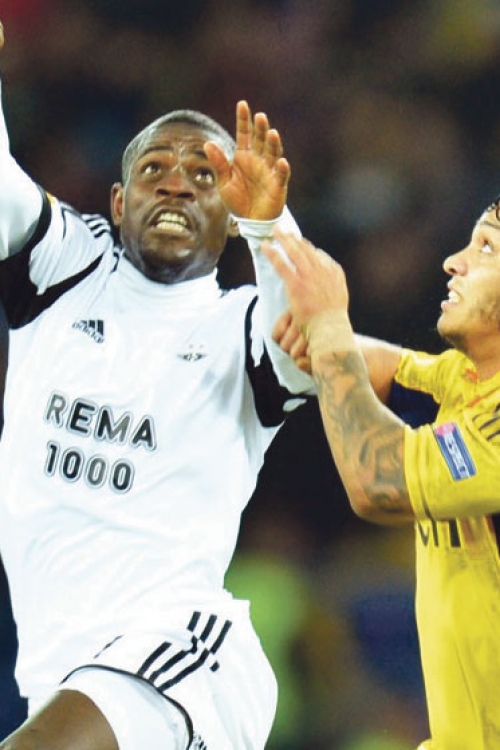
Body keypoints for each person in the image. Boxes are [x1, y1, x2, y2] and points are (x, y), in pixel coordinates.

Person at [0, 19, 317, 750]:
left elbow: (313, 336)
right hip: (59, 667)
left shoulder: (240, 326)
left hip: (181, 651)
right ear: (118, 203)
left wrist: (273, 225)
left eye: (205, 176)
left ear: (230, 219)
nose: (176, 181)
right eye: (154, 169)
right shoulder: (65, 267)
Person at [262, 205, 500, 749]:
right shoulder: (468, 381)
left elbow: (377, 480)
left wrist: (328, 330)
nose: (454, 261)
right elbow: (373, 365)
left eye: (486, 247)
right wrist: (266, 226)